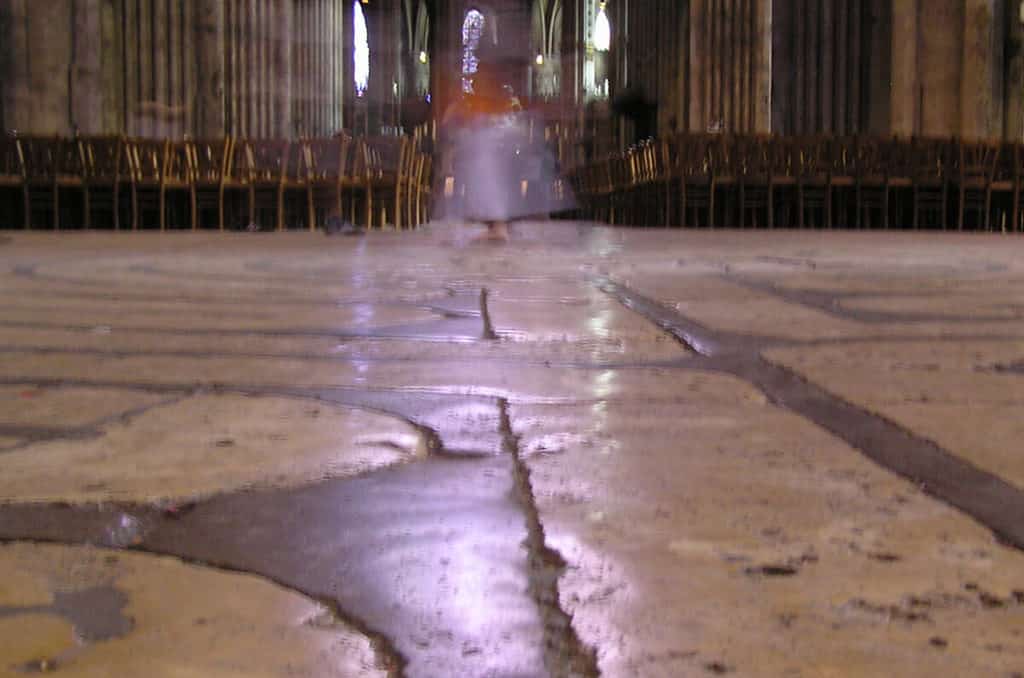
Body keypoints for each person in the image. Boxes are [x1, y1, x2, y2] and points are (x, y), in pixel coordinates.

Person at [438, 58, 571, 241]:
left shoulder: (496, 99)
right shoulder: (481, 101)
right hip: (493, 144)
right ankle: (498, 225)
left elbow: (503, 121)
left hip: (497, 143)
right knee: (489, 181)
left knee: (492, 181)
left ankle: (499, 226)